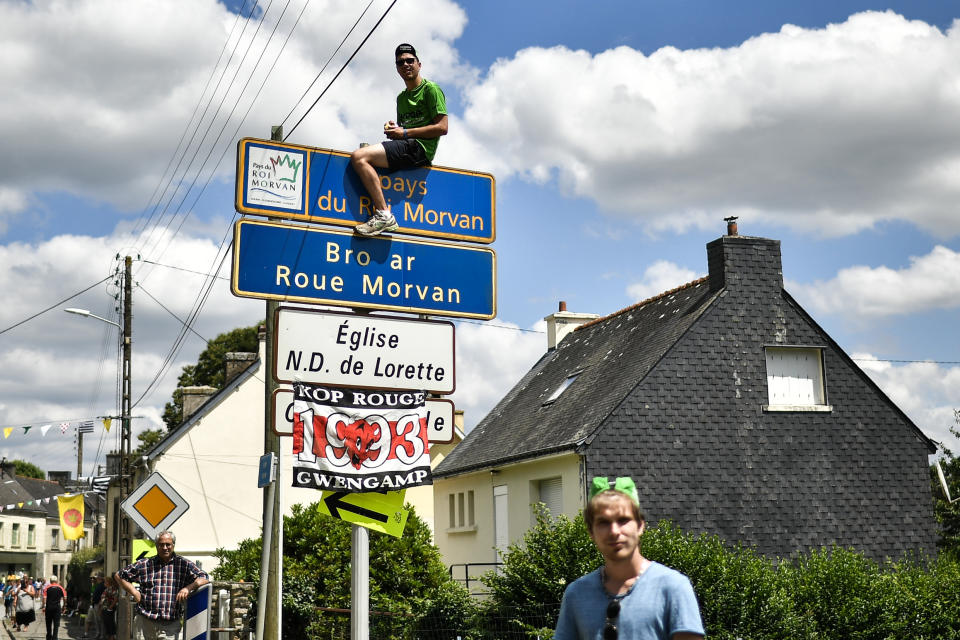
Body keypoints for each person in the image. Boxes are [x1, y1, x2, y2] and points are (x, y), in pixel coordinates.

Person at [554, 477, 705, 640]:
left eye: (623, 520)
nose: (614, 531)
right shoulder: (576, 594)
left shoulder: (673, 587)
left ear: (640, 525)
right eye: (603, 522)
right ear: (591, 532)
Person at [351, 42, 448, 237]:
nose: (406, 64)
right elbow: (405, 130)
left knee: (360, 157)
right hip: (407, 146)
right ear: (397, 68)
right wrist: (395, 129)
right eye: (401, 62)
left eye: (410, 60)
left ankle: (383, 215)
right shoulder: (401, 99)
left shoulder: (431, 89)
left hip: (421, 149)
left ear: (419, 64)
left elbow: (442, 127)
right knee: (365, 158)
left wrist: (403, 133)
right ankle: (382, 214)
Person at [115, 530, 209, 640]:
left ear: (173, 545)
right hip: (145, 622)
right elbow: (119, 575)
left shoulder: (183, 564)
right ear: (156, 546)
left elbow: (204, 577)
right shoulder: (145, 564)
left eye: (168, 544)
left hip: (171, 625)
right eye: (161, 545)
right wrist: (134, 591)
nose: (165, 548)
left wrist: (188, 588)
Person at [42, 575, 66, 640]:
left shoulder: (47, 588)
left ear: (50, 581)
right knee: (56, 623)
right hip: (57, 607)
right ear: (57, 581)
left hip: (49, 607)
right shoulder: (61, 588)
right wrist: (64, 606)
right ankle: (55, 638)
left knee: (48, 623)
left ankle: (49, 637)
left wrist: (43, 607)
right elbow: (65, 597)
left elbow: (44, 598)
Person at [100, 575, 119, 640]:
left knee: (110, 623)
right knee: (106, 623)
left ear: (109, 582)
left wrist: (110, 607)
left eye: (105, 581)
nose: (104, 582)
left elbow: (116, 598)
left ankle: (112, 637)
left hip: (109, 609)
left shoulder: (112, 588)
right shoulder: (107, 589)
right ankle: (109, 637)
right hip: (105, 608)